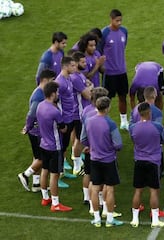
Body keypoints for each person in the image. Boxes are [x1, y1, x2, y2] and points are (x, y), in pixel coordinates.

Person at [81, 96, 124, 227]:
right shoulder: (110, 123)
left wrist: (92, 146)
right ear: (107, 108)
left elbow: (83, 139)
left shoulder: (88, 121)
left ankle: (97, 219)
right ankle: (110, 219)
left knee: (94, 188)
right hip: (108, 160)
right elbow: (118, 144)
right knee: (109, 189)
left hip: (94, 159)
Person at [129, 102, 164, 228]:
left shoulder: (133, 127)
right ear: (149, 112)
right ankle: (155, 220)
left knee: (138, 191)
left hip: (139, 161)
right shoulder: (157, 126)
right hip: (153, 161)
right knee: (154, 191)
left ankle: (135, 219)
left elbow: (133, 140)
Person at [18, 69, 56, 192]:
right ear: (45, 80)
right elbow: (32, 113)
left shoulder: (41, 93)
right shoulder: (39, 96)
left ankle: (36, 184)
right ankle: (25, 175)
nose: (53, 83)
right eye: (52, 80)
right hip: (37, 132)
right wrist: (27, 127)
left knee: (37, 157)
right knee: (43, 158)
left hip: (37, 131)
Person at [36, 81, 72, 212]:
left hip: (43, 144)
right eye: (57, 92)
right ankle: (55, 203)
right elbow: (63, 129)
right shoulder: (54, 111)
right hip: (54, 147)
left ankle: (45, 197)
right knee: (54, 175)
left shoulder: (40, 106)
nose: (58, 94)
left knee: (44, 171)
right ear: (52, 94)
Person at [100, 9, 129, 130]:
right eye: (117, 20)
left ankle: (124, 121)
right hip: (109, 73)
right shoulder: (105, 33)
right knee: (107, 99)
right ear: (111, 19)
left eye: (120, 20)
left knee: (123, 96)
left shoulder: (124, 31)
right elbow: (99, 50)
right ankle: (103, 120)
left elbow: (123, 46)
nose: (119, 23)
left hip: (122, 71)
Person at [70, 51, 93, 175]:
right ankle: (77, 166)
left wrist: (88, 86)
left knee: (79, 138)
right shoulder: (75, 77)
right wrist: (89, 87)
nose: (86, 63)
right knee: (80, 139)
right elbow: (88, 95)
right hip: (78, 114)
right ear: (77, 63)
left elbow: (88, 85)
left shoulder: (80, 75)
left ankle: (78, 162)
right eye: (83, 62)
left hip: (82, 112)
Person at [55, 56, 77, 187]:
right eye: (73, 66)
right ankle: (56, 178)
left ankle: (62, 171)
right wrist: (60, 121)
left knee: (64, 147)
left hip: (70, 117)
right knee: (60, 149)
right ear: (66, 66)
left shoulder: (68, 78)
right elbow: (56, 102)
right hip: (64, 119)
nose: (75, 68)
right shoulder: (60, 82)